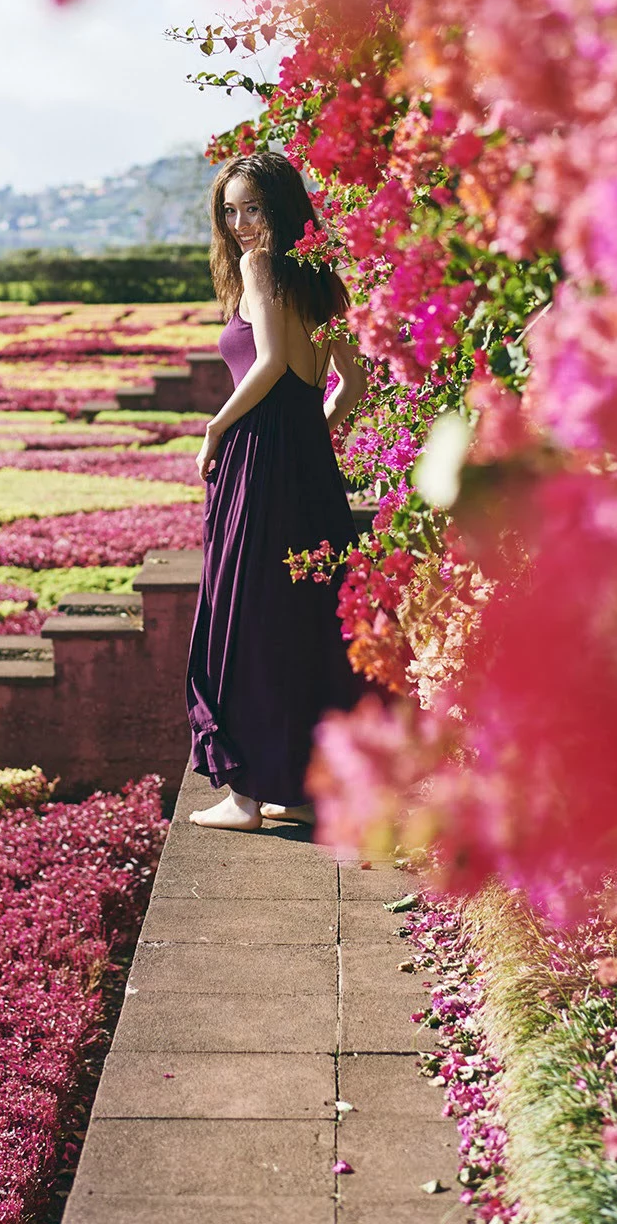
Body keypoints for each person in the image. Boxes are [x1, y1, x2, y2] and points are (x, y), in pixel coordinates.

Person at [186, 151, 368, 831]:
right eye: (229, 210)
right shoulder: (320, 278)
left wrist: (214, 429)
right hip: (306, 466)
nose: (239, 224)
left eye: (252, 208)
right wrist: (310, 436)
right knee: (302, 621)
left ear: (282, 208)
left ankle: (244, 797)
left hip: (259, 460)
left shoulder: (260, 270)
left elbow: (265, 365)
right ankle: (294, 785)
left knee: (242, 618)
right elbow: (353, 380)